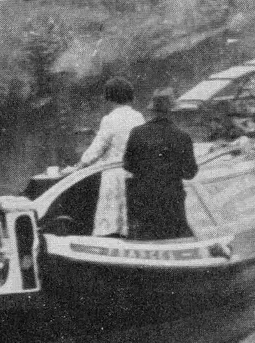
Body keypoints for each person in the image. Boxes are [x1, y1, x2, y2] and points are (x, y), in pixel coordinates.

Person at [62, 77, 143, 237]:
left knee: (110, 217)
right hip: (133, 172)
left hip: (113, 173)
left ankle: (110, 237)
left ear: (109, 97)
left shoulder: (109, 119)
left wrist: (79, 165)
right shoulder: (138, 117)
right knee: (128, 215)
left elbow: (97, 149)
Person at [124, 88, 198, 241]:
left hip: (142, 198)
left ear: (152, 111)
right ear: (172, 111)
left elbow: (127, 165)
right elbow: (190, 172)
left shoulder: (136, 133)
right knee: (173, 239)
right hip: (171, 199)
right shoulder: (182, 136)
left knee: (144, 241)